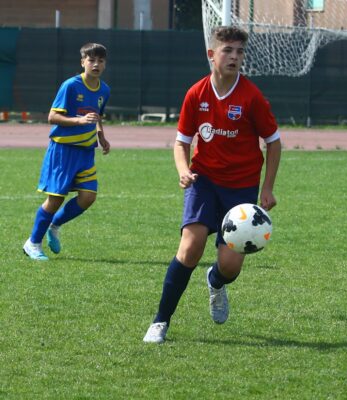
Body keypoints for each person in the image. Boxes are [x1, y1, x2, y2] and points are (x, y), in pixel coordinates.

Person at [143, 26, 282, 344]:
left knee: (230, 266)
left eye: (240, 52)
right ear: (212, 55)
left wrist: (268, 188)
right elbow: (181, 143)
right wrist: (183, 170)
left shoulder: (252, 97)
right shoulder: (196, 94)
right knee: (190, 247)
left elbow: (273, 142)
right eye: (228, 51)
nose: (234, 57)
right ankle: (160, 321)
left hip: (242, 189)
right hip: (203, 182)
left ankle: (216, 281)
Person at [22, 43, 110, 261]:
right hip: (63, 150)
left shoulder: (104, 90)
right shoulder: (70, 86)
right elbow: (52, 117)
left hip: (86, 152)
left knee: (88, 197)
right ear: (82, 62)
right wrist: (79, 120)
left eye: (100, 60)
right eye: (91, 60)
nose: (96, 64)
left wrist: (101, 134)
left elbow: (96, 115)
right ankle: (32, 243)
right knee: (55, 200)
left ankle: (55, 224)